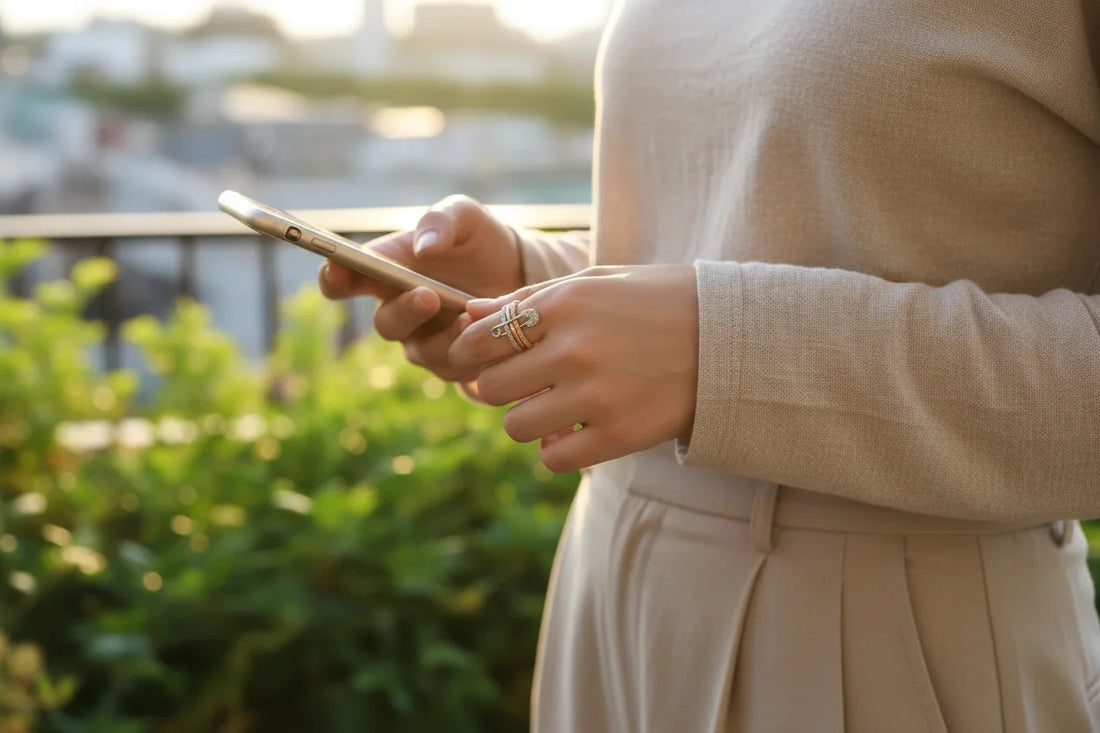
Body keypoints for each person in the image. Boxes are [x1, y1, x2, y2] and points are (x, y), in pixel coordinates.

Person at [321, 2, 1100, 730]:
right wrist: (537, 289)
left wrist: (726, 347)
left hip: (890, 623)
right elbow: (736, 234)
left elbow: (724, 313)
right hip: (608, 580)